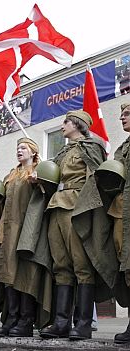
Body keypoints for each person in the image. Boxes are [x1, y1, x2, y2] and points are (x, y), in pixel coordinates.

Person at [39, 110, 116, 341]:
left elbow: (97, 179)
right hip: (56, 206)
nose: (62, 125)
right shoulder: (62, 152)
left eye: (65, 122)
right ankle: (61, 322)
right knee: (61, 265)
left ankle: (82, 323)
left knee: (81, 265)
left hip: (78, 206)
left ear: (77, 124)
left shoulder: (92, 147)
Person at [0, 138, 52, 337]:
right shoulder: (11, 175)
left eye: (23, 147)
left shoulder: (39, 171)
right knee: (8, 276)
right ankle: (12, 317)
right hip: (6, 231)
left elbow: (45, 197)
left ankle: (26, 319)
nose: (19, 151)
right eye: (17, 148)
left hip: (28, 229)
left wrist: (38, 181)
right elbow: (1, 207)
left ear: (33, 152)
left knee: (26, 275)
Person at [108, 103, 130, 344]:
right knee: (126, 265)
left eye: (127, 114)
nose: (122, 117)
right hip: (122, 208)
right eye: (121, 113)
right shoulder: (122, 148)